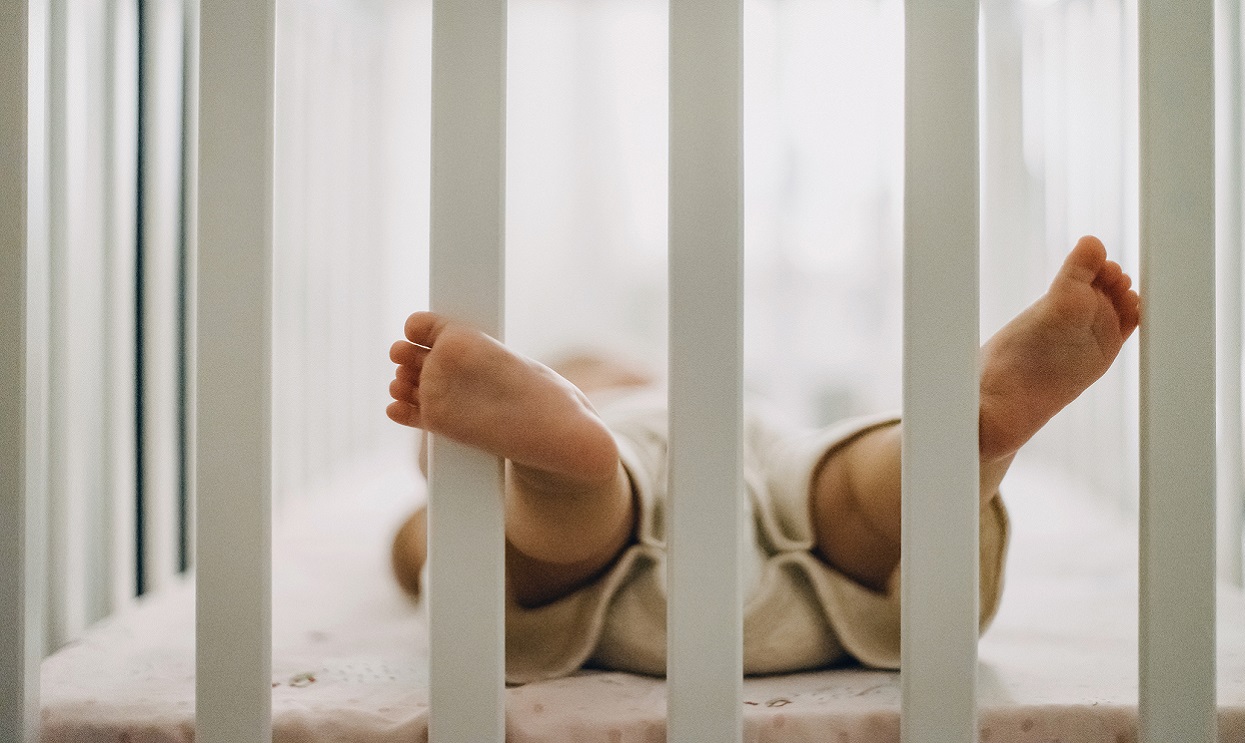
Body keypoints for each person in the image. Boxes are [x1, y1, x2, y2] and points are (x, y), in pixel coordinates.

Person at [385, 235, 1140, 684]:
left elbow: (418, 550)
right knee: (844, 495)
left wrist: (444, 470)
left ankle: (560, 467)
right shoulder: (698, 394)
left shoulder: (631, 402)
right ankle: (950, 440)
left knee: (549, 522)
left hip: (622, 541)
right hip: (787, 511)